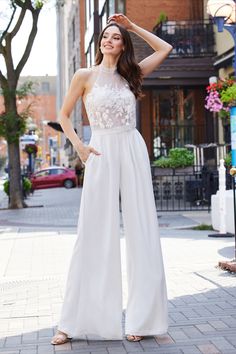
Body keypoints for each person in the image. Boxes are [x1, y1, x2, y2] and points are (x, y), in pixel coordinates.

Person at [51, 13, 172, 345]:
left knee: (142, 229)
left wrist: (132, 26)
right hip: (100, 149)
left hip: (131, 147)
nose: (109, 40)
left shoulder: (131, 74)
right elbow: (63, 114)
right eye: (106, 35)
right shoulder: (85, 75)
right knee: (93, 230)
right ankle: (71, 323)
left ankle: (143, 320)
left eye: (116, 37)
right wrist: (79, 147)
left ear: (123, 45)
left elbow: (165, 48)